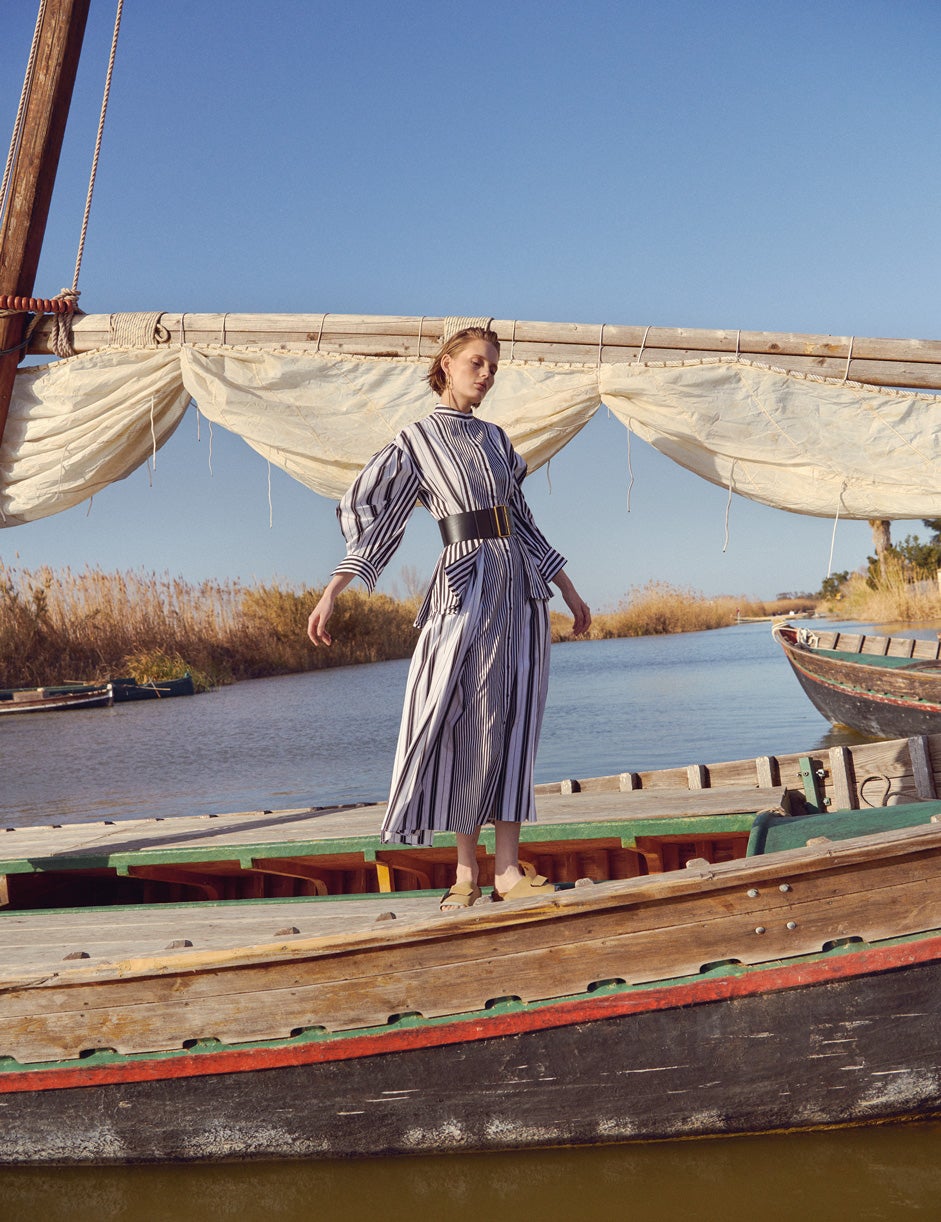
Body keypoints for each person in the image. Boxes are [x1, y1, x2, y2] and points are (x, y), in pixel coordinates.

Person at [307, 326, 591, 910]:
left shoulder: (497, 439)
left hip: (520, 587)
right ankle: (465, 872)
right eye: (476, 363)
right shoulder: (416, 439)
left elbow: (523, 519)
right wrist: (335, 587)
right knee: (462, 717)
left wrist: (567, 587)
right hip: (465, 585)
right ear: (446, 363)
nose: (486, 375)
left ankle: (507, 871)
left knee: (515, 717)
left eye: (493, 368)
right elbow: (374, 510)